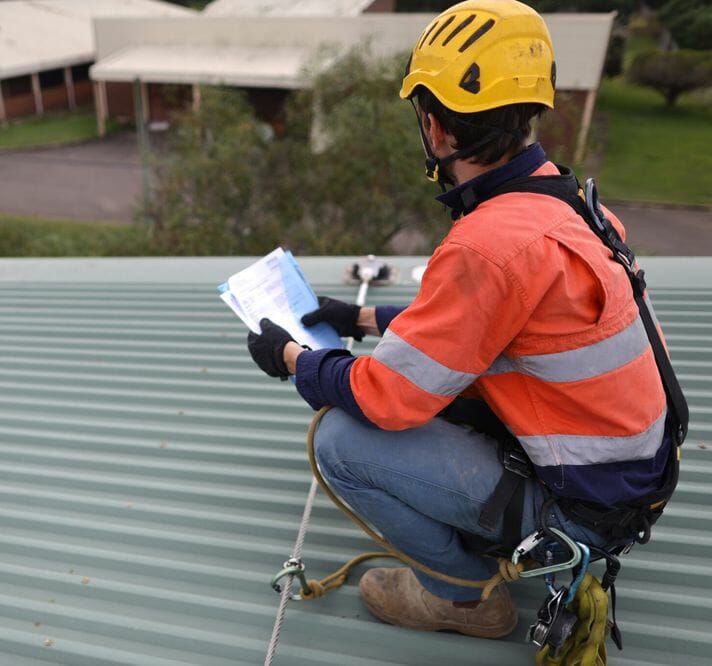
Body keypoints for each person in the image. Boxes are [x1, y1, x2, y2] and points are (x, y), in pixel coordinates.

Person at [246, 0, 676, 640]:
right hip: (630, 489)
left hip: (580, 512)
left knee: (338, 441)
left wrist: (292, 359)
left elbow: (386, 397)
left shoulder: (487, 245)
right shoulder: (571, 207)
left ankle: (463, 599)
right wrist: (359, 317)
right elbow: (471, 329)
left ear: (436, 127)